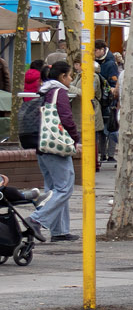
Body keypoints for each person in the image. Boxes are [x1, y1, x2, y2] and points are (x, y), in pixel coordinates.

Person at [28, 61, 80, 242]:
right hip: (55, 145)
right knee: (64, 188)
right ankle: (36, 219)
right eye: (69, 75)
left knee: (53, 189)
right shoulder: (59, 92)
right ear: (62, 76)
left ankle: (59, 231)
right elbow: (66, 118)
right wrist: (74, 138)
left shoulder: (44, 91)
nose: (71, 79)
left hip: (41, 144)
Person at [95, 41, 119, 161]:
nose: (94, 53)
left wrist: (111, 93)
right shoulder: (97, 62)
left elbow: (114, 84)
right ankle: (104, 154)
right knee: (101, 129)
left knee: (111, 127)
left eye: (95, 50)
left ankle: (110, 154)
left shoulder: (110, 63)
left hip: (108, 101)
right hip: (101, 100)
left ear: (103, 50)